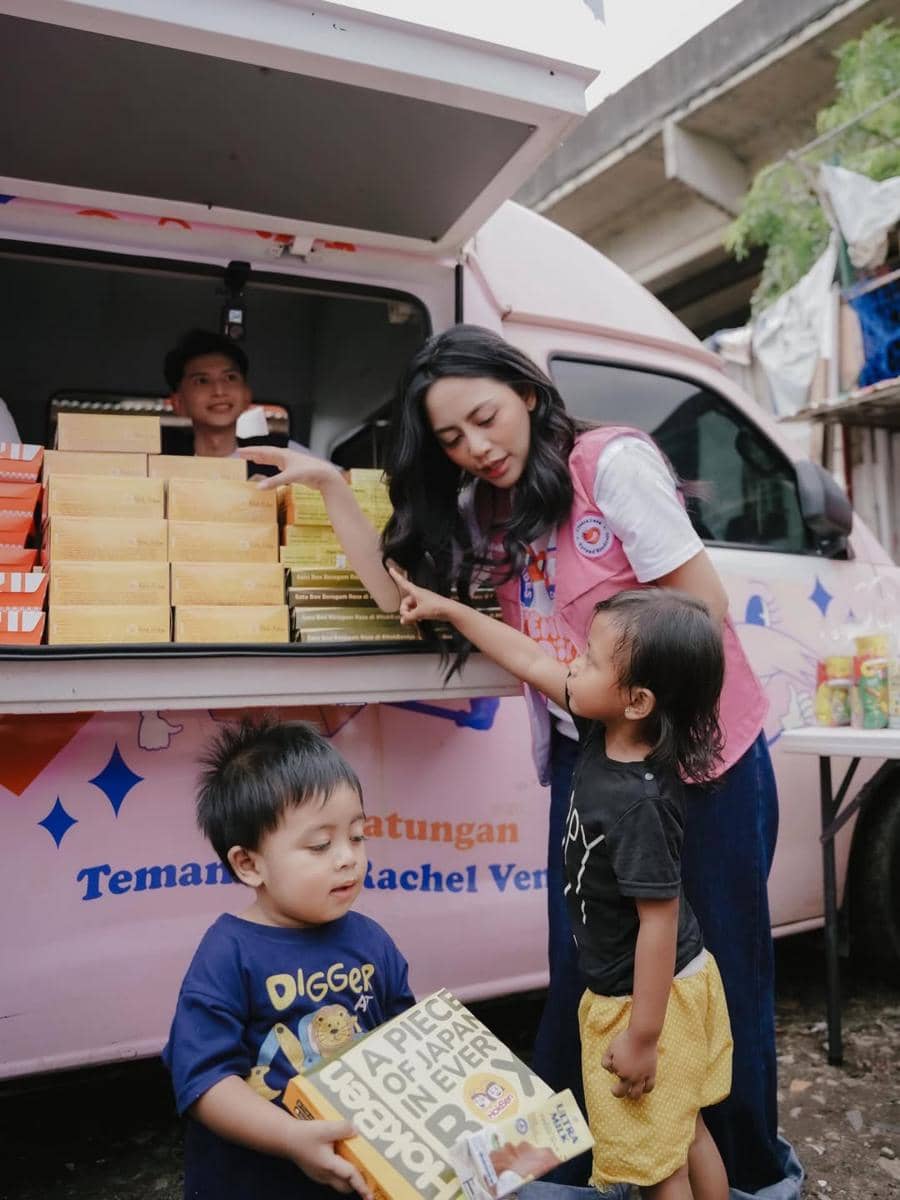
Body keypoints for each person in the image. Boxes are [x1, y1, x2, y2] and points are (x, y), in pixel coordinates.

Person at [242, 325, 801, 1199]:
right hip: (593, 768)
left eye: (485, 418)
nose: (477, 448)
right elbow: (403, 600)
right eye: (453, 440)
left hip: (699, 762)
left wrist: (617, 704)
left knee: (717, 975)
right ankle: (595, 1172)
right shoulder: (480, 513)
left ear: (528, 393)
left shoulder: (608, 466)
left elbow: (701, 608)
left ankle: (753, 1178)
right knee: (588, 975)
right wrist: (328, 492)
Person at [392, 579, 733, 1199]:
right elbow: (526, 657)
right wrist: (449, 609)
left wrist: (642, 1037)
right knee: (684, 1130)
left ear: (637, 700)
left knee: (659, 1166)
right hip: (662, 987)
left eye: (589, 660)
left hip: (648, 999)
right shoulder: (608, 729)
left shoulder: (640, 805)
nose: (572, 665)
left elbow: (659, 921)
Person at [162, 717, 415, 1200]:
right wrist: (290, 1138)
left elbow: (407, 1042)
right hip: (254, 1183)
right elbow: (203, 1081)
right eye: (320, 845)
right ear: (249, 864)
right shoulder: (227, 954)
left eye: (358, 836)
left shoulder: (372, 940)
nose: (347, 857)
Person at [163, 329, 305, 459]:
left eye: (230, 378)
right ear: (178, 402)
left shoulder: (285, 456)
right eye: (202, 381)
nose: (219, 391)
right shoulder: (157, 460)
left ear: (246, 395)